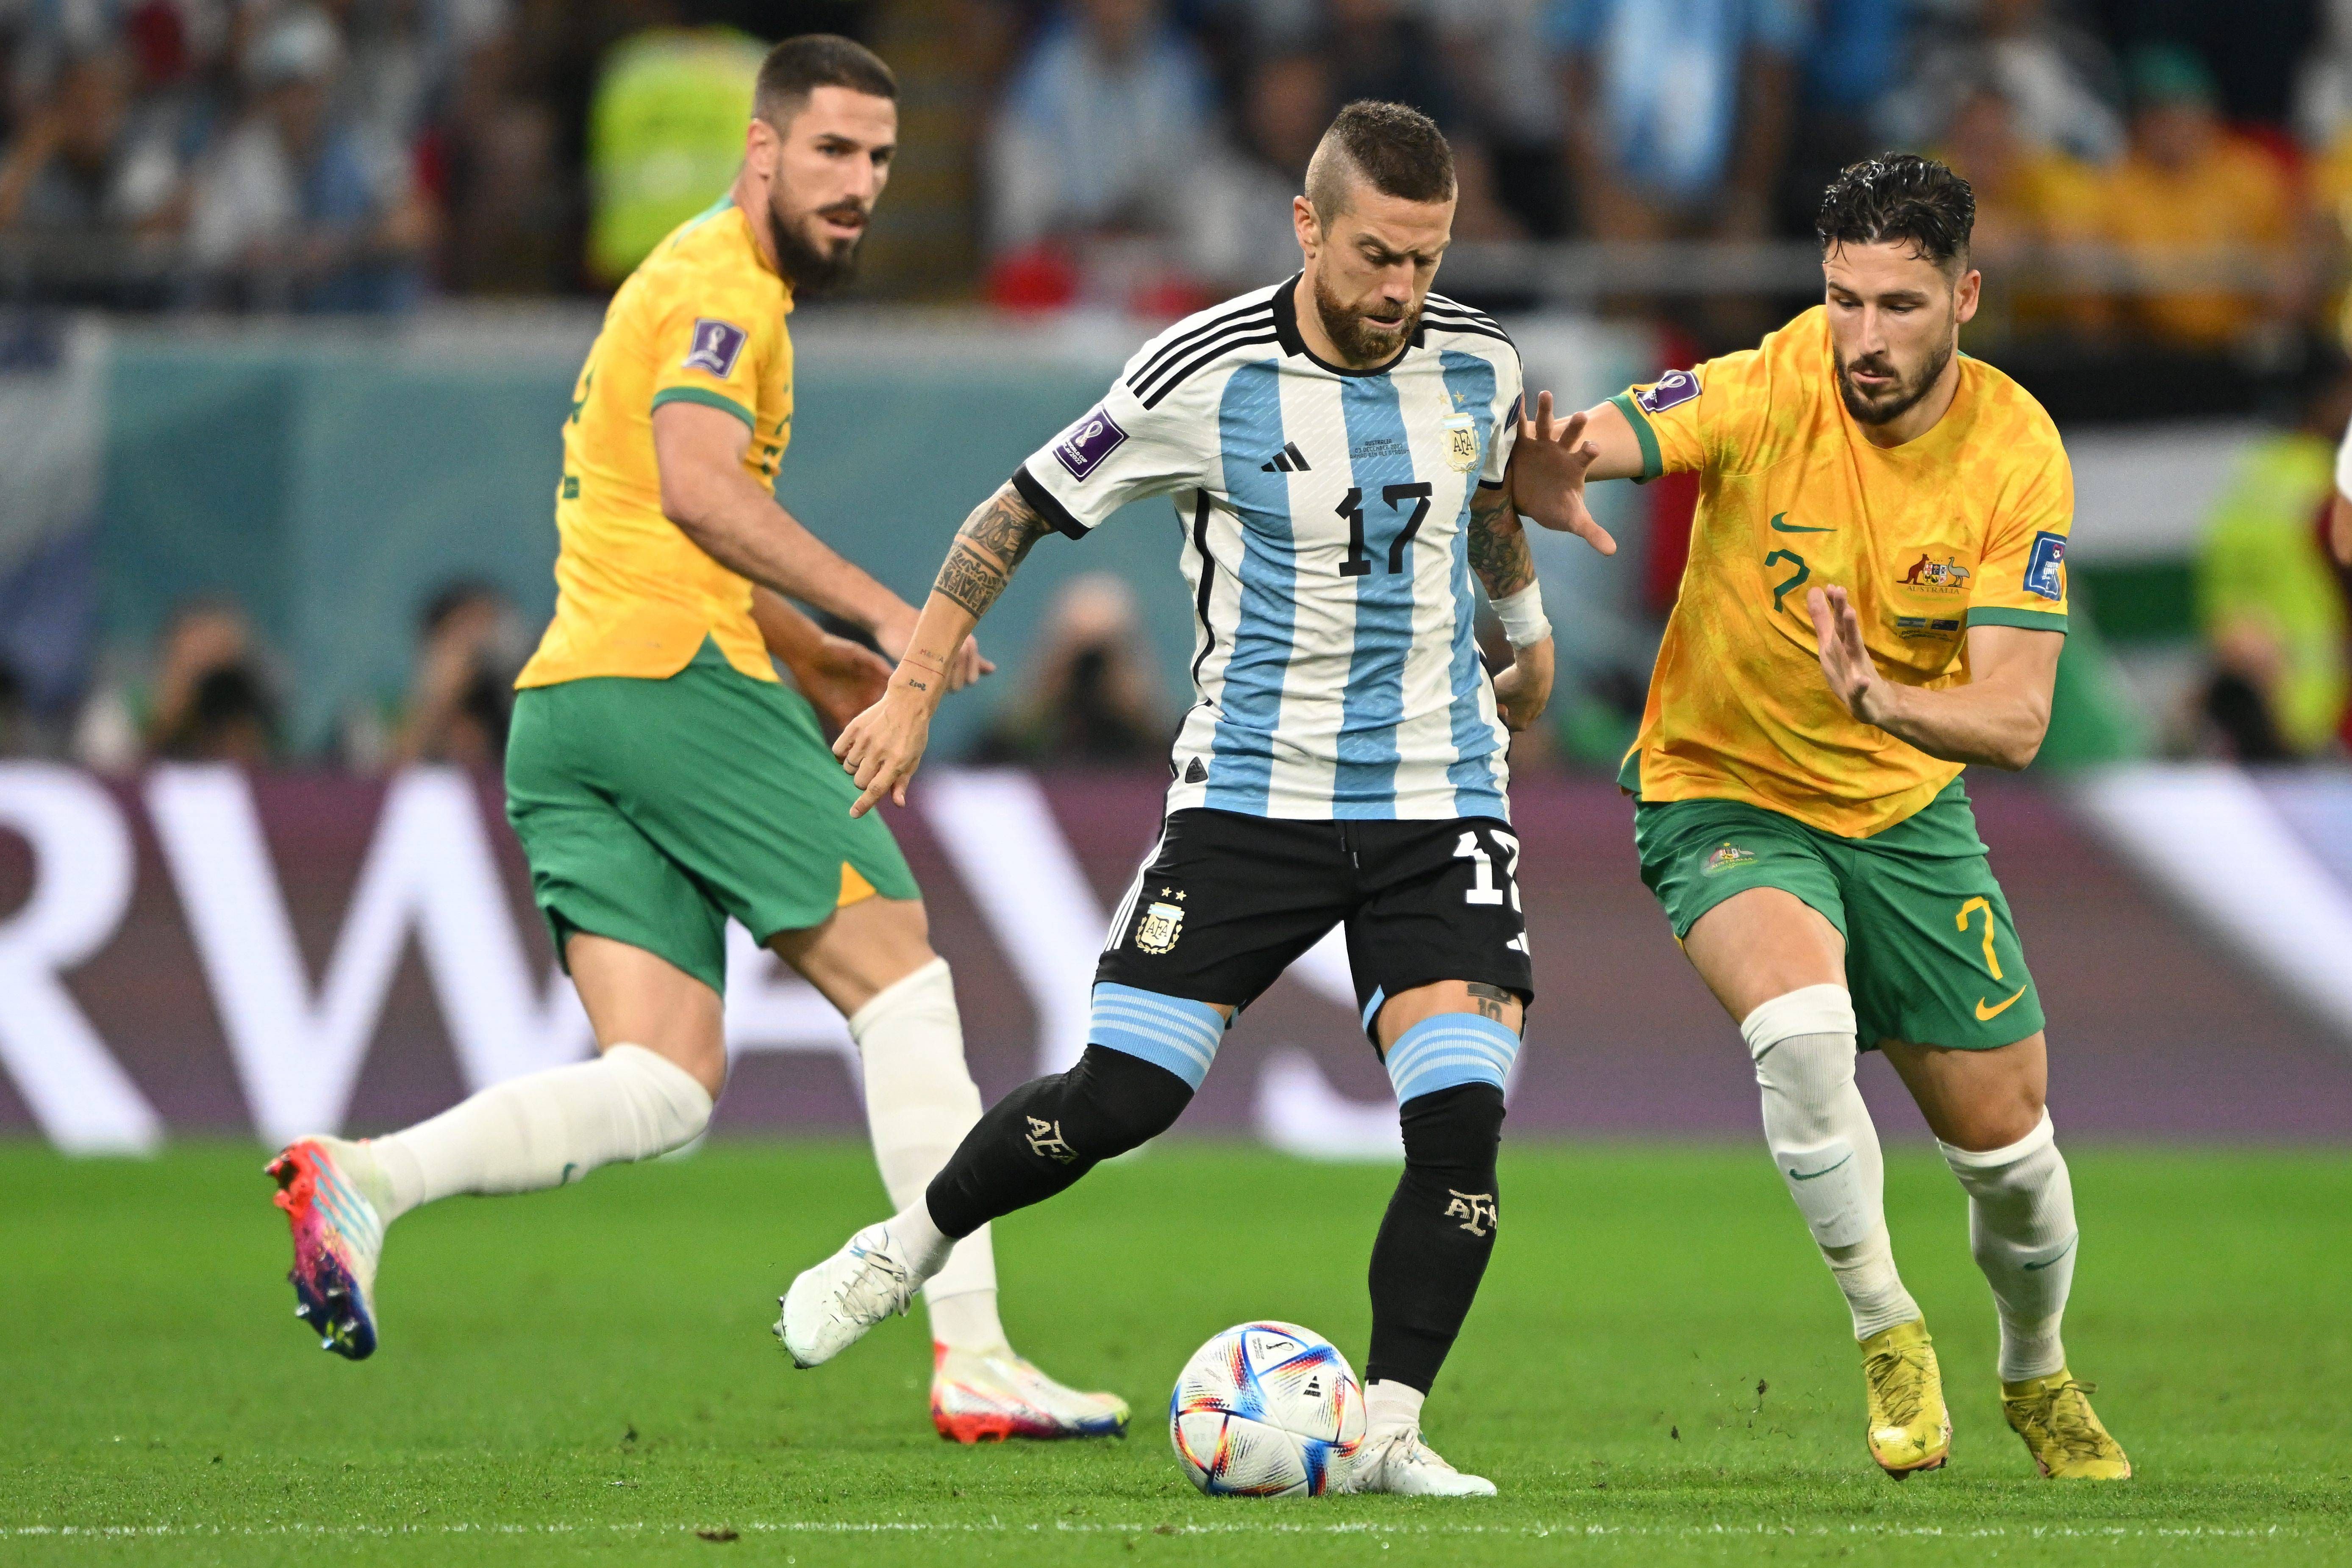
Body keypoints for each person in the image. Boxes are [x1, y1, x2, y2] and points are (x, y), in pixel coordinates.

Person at [263, 33, 1129, 1446]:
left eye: (883, 162)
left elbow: (650, 514)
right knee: (901, 981)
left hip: (569, 712)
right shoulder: (727, 286)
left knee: (661, 1083)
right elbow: (696, 489)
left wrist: (809, 652)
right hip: (670, 681)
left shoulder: (682, 280)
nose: (859, 187)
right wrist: (897, 621)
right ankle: (974, 1353)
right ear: (764, 149)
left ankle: (366, 1179)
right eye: (834, 153)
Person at [781, 100, 1616, 1497]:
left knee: (1460, 1126)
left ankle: (1391, 1430)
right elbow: (1015, 514)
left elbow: (1482, 512)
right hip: (1250, 800)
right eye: (1373, 257)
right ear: (1305, 227)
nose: (1400, 292)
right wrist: (915, 689)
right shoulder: (1200, 372)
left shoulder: (1480, 360)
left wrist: (1523, 642)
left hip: (1438, 800)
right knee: (1125, 1097)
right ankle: (903, 1246)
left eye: (1425, 259)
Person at [1525, 153, 2130, 1481]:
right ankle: (1887, 1328)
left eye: (1899, 306)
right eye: (1844, 298)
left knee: (2015, 1164)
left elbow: (2019, 719)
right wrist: (1555, 466)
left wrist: (1884, 701)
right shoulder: (1777, 377)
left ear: (1965, 298)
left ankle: (2036, 1374)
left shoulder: (2017, 454)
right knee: (1802, 1032)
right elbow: (1636, 431)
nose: (1863, 337)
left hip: (1910, 818)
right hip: (1722, 789)